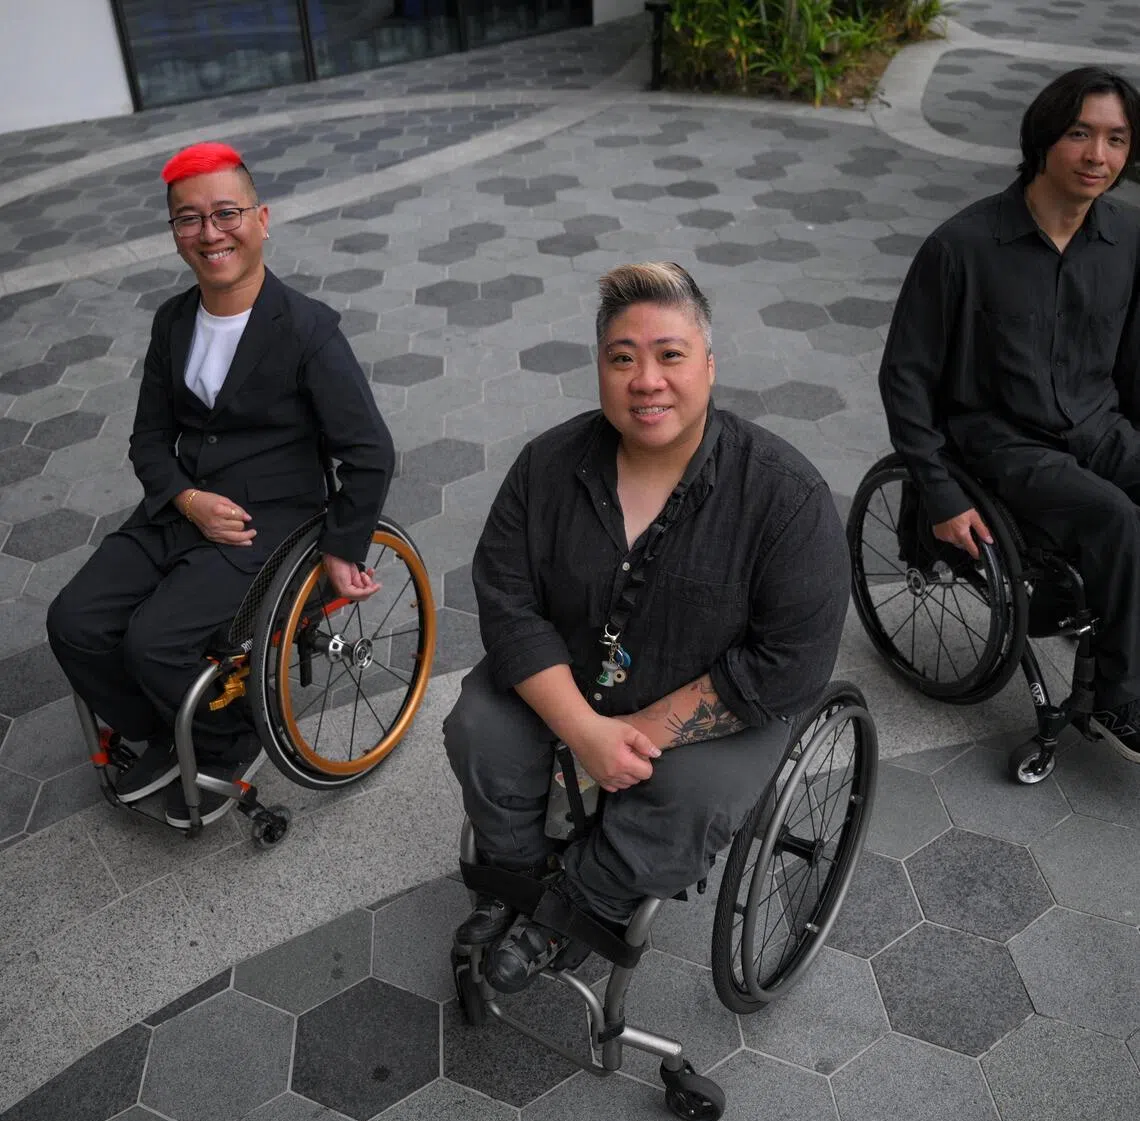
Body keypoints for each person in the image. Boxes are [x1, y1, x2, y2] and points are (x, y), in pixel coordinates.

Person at [444, 262, 849, 993]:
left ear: (710, 365)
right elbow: (506, 599)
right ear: (600, 368)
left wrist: (644, 732)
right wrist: (584, 730)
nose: (646, 380)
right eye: (622, 358)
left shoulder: (786, 497)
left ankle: (582, 904)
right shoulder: (548, 466)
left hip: (714, 707)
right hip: (567, 679)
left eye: (671, 355)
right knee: (480, 724)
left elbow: (791, 661)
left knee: (690, 796)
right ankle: (513, 878)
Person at [46, 142, 393, 827]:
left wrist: (343, 546)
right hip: (181, 506)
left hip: (269, 525)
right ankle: (169, 731)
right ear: (175, 232)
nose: (210, 233)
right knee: (74, 623)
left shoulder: (307, 332)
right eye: (189, 219)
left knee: (152, 642)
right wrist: (185, 498)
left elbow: (370, 451)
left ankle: (224, 737)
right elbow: (148, 438)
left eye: (226, 213)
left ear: (261, 219)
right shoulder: (173, 321)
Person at [879, 66, 1140, 761]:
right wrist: (936, 492)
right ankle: (1119, 698)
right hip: (1001, 442)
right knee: (1114, 518)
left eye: (1117, 139)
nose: (1098, 156)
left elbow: (1134, 364)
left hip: (1097, 422)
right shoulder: (962, 246)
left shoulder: (1128, 240)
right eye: (1080, 134)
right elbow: (904, 378)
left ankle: (1120, 649)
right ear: (1044, 138)